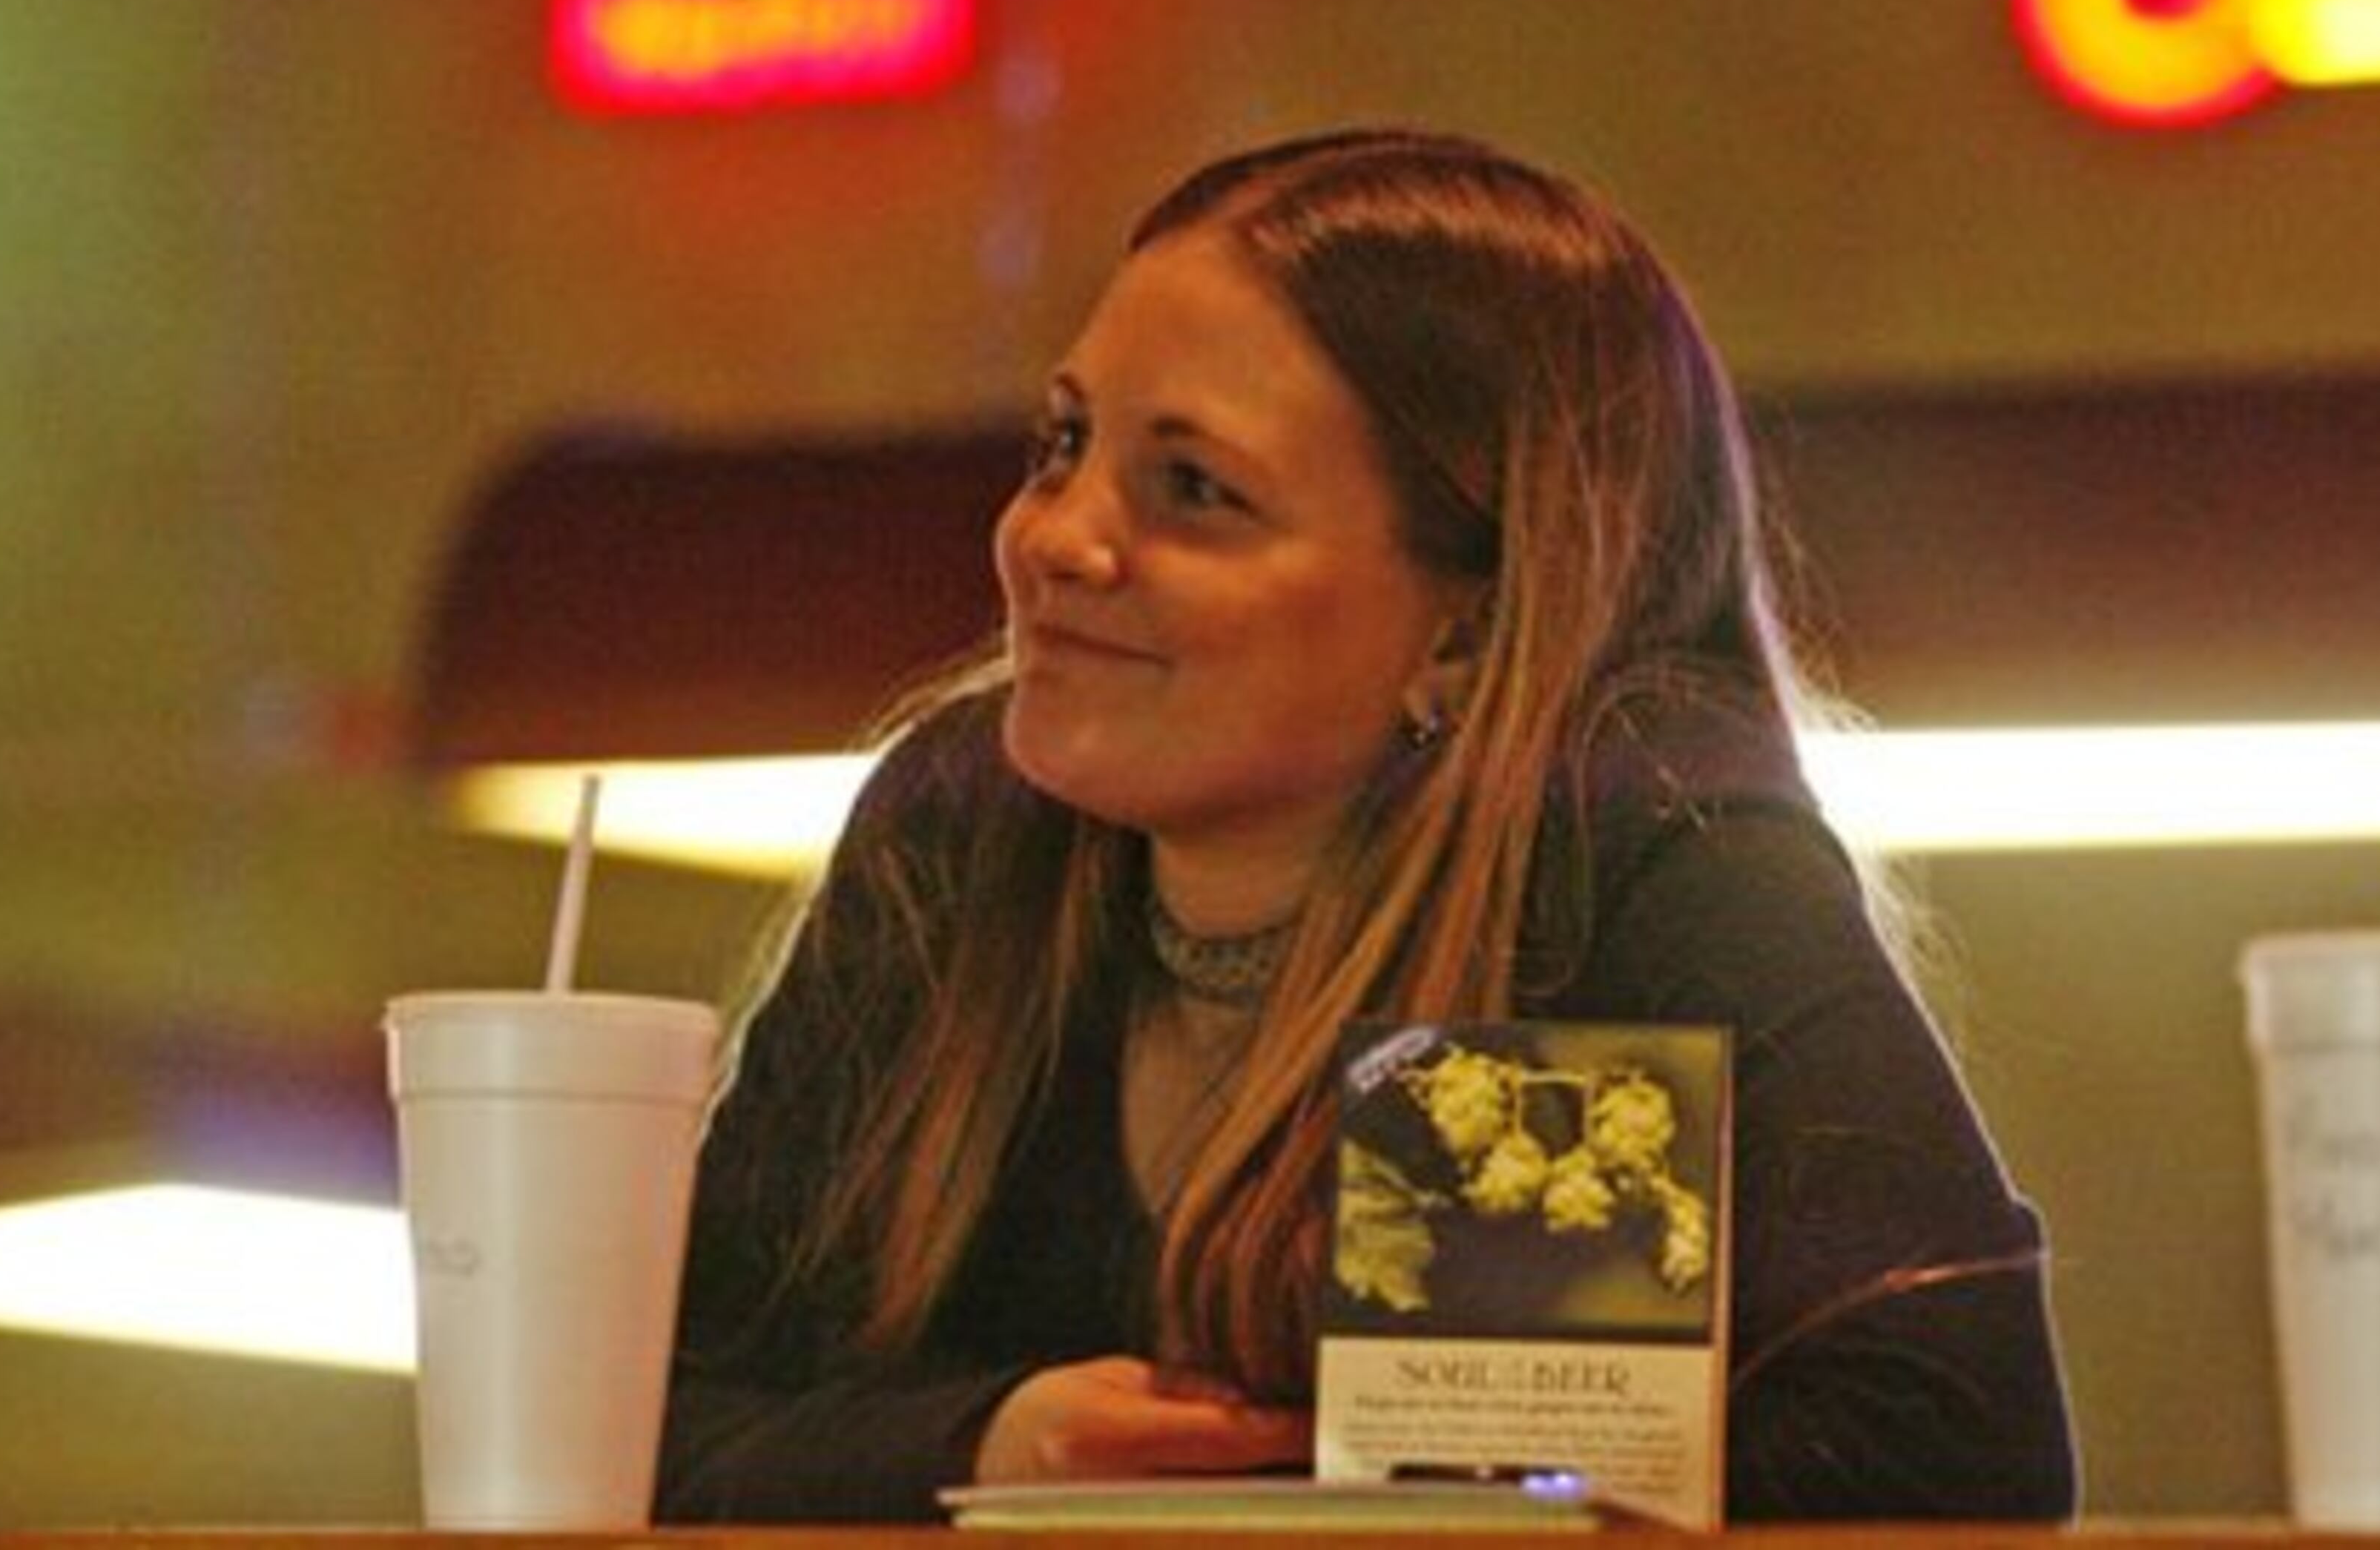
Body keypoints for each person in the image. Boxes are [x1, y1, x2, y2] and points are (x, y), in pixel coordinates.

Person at [656, 128, 2078, 1522]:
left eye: (1195, 490)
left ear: (1467, 631)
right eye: (1064, 443)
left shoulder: (1631, 847)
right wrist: (984, 1449)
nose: (1053, 539)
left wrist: (1296, 1512)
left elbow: (1961, 1454)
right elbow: (652, 1418)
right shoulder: (963, 835)